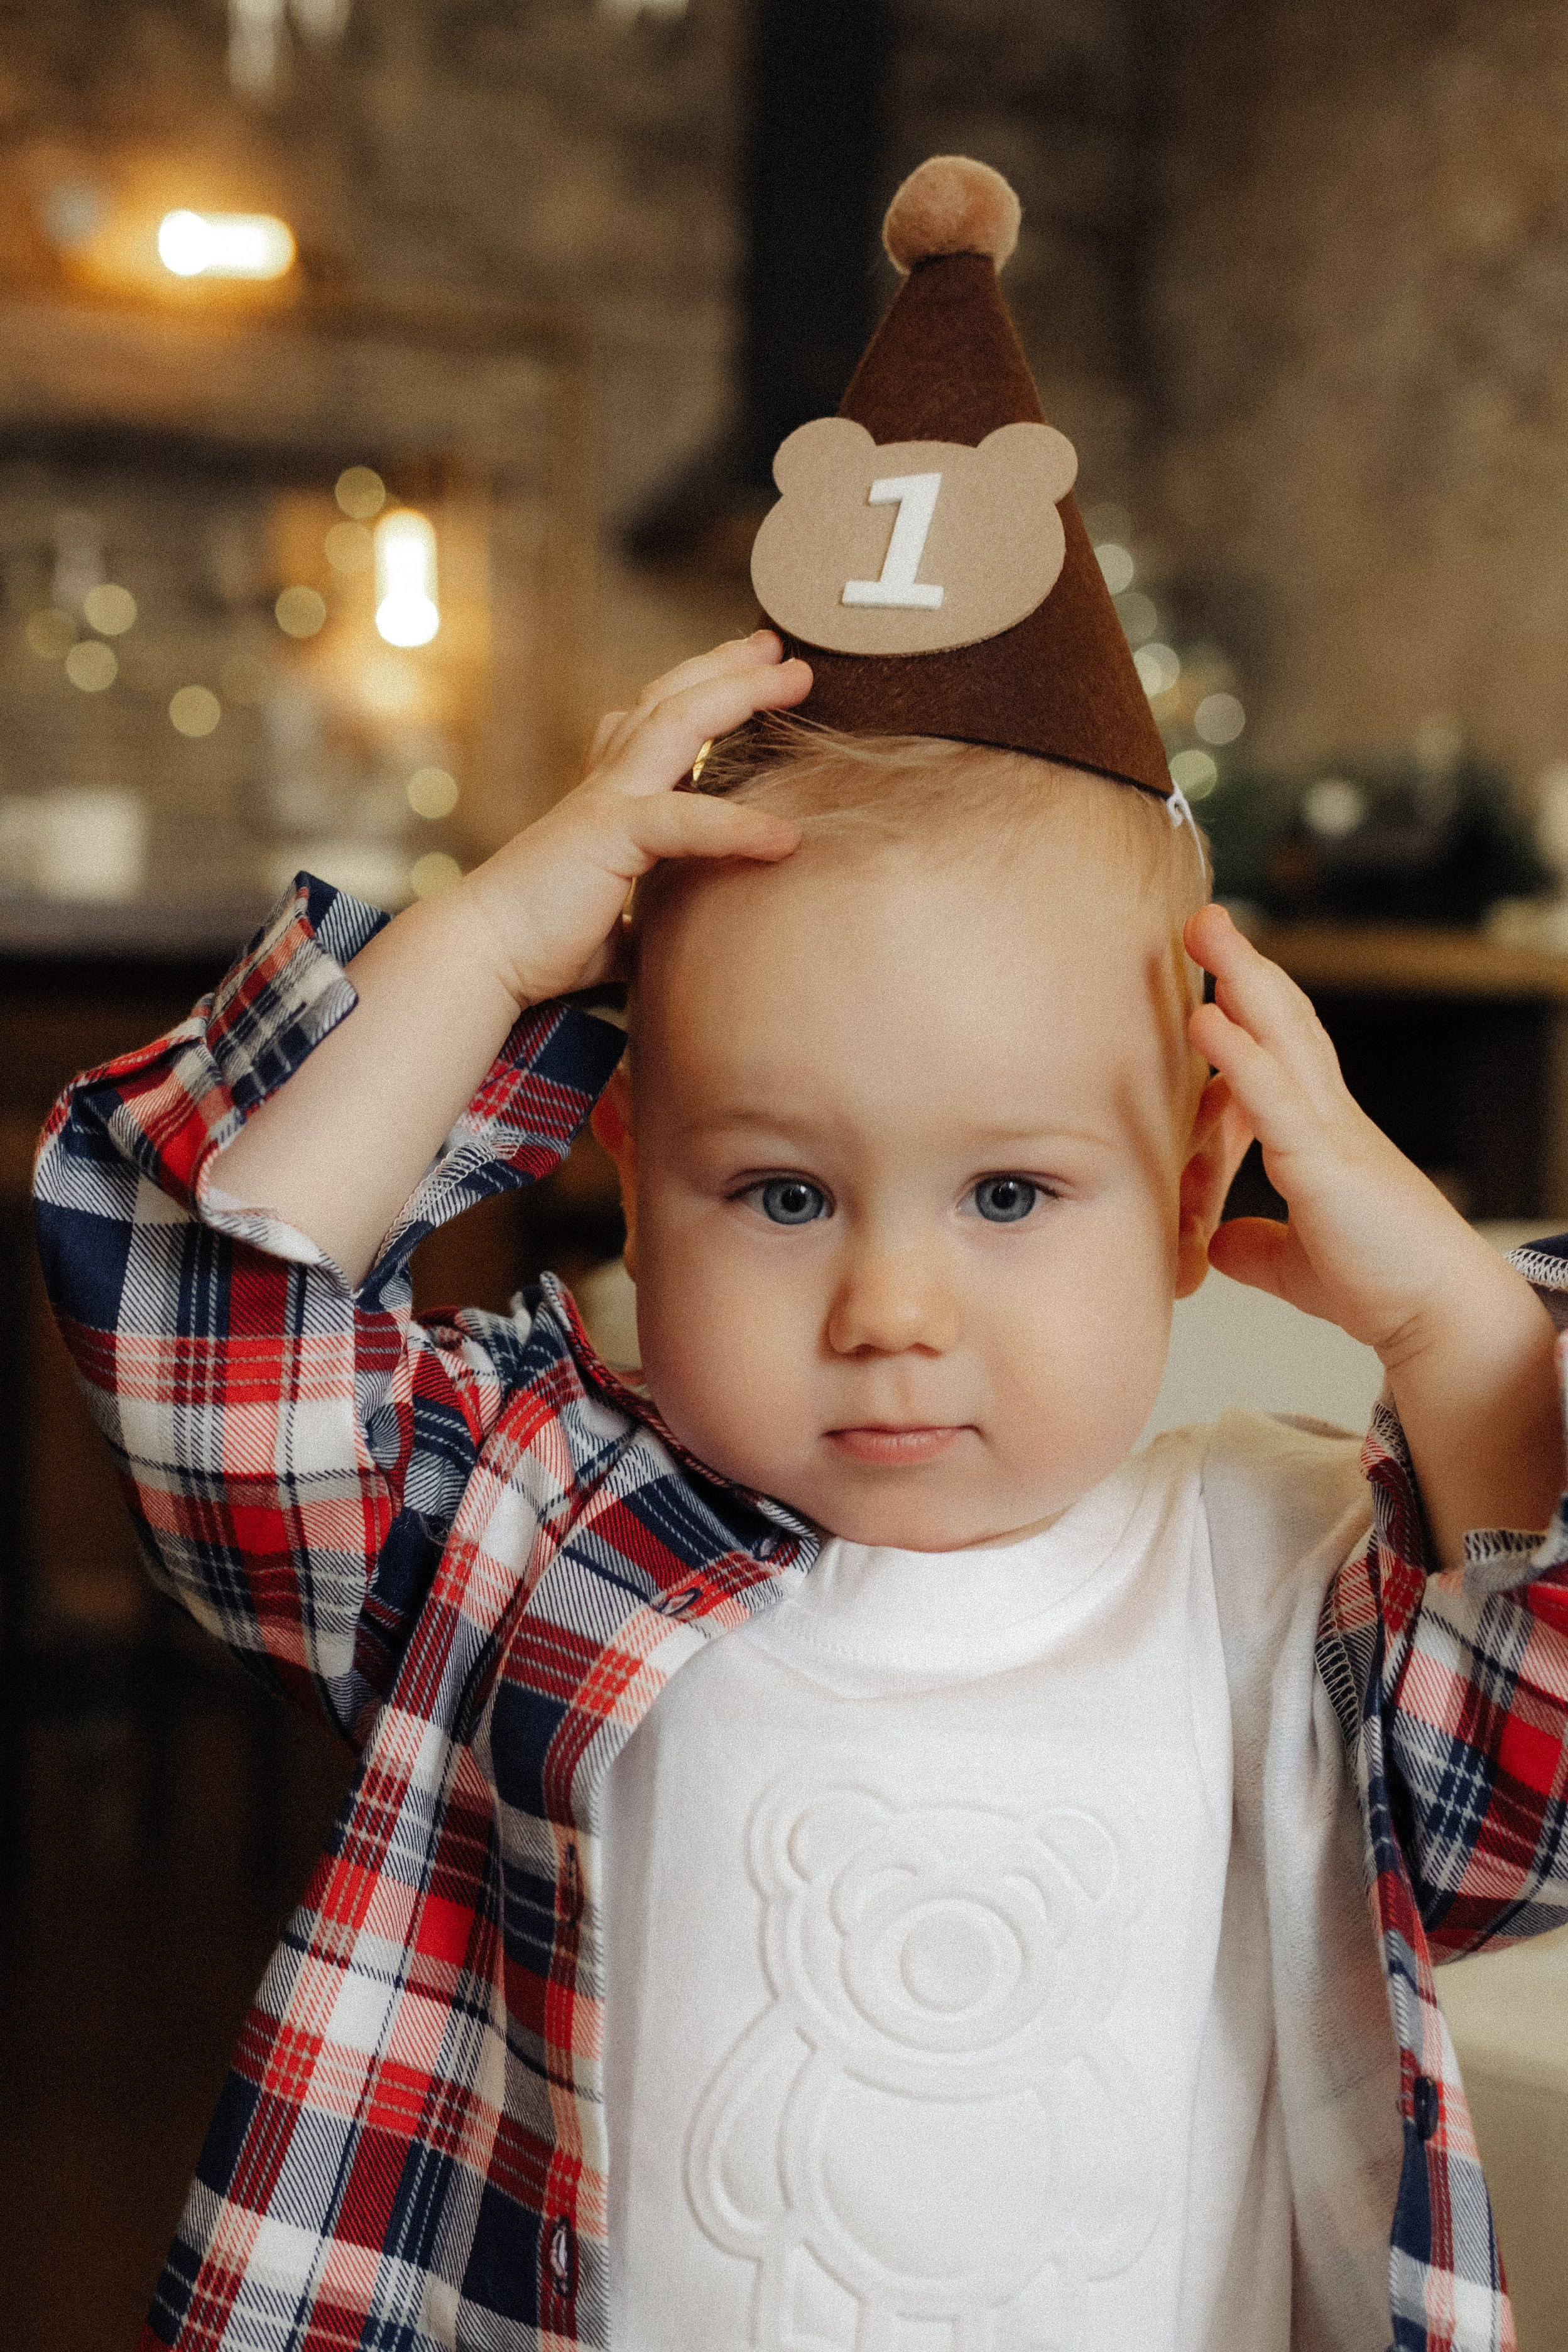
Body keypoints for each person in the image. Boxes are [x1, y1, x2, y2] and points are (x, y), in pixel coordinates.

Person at [32, 158, 1568, 2352]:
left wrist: (1455, 1314)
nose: (892, 1311)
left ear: (1210, 1161)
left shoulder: (1287, 1591)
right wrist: (479, 952)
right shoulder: (533, 1514)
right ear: (629, 1164)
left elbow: (1546, 1773)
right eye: (780, 1194)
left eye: (1014, 1196)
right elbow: (207, 1344)